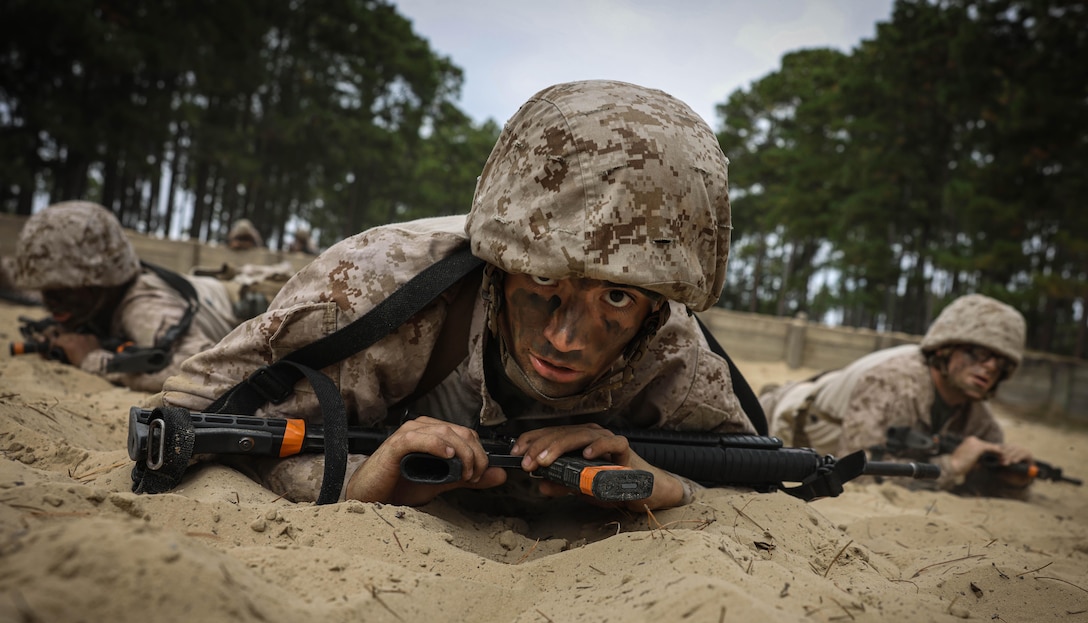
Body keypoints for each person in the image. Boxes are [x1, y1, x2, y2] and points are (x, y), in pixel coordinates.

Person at [159, 79, 756, 510]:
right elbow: (183, 421)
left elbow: (756, 483)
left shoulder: (672, 350)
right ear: (498, 266)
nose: (565, 339)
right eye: (544, 281)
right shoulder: (375, 289)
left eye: (618, 299)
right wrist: (362, 481)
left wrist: (662, 485)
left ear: (658, 305)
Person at [759, 294, 1035, 498]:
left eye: (1000, 364)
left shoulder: (979, 419)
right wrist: (951, 466)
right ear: (944, 349)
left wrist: (1013, 479)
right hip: (777, 413)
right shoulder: (892, 383)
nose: (989, 367)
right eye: (980, 353)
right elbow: (856, 474)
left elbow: (978, 487)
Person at [11, 200, 240, 393]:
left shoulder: (142, 307)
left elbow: (206, 373)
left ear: (104, 279)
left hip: (234, 299)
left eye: (65, 288)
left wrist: (92, 359)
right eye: (46, 289)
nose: (51, 300)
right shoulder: (101, 300)